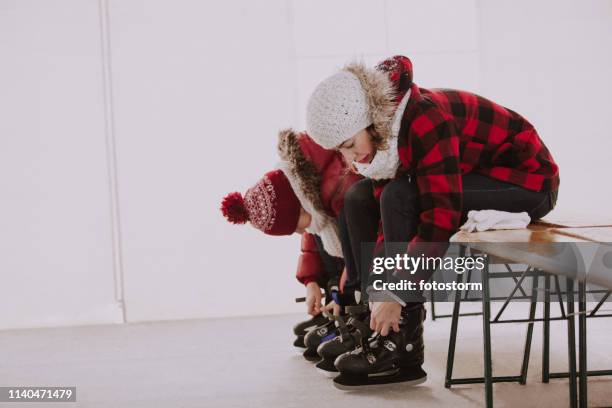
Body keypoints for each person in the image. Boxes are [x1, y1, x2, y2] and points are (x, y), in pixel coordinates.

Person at [305, 55, 560, 388]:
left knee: (401, 195)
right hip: (475, 175)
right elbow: (384, 219)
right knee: (357, 198)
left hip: (526, 182)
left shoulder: (425, 120)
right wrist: (379, 290)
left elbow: (439, 216)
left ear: (371, 120)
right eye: (341, 151)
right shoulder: (387, 135)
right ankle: (369, 321)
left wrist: (397, 290)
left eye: (351, 145)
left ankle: (403, 344)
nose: (349, 159)